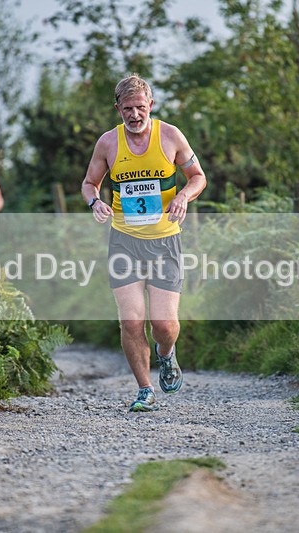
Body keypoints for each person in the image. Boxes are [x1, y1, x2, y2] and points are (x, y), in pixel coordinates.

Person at [81, 74, 207, 412]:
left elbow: (198, 177)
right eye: (127, 109)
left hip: (165, 241)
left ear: (150, 105)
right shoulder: (108, 143)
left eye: (140, 107)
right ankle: (144, 390)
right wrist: (95, 202)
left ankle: (166, 354)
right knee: (131, 322)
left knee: (163, 326)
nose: (135, 115)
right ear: (118, 109)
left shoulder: (170, 136)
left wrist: (183, 196)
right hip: (124, 241)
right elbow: (90, 183)